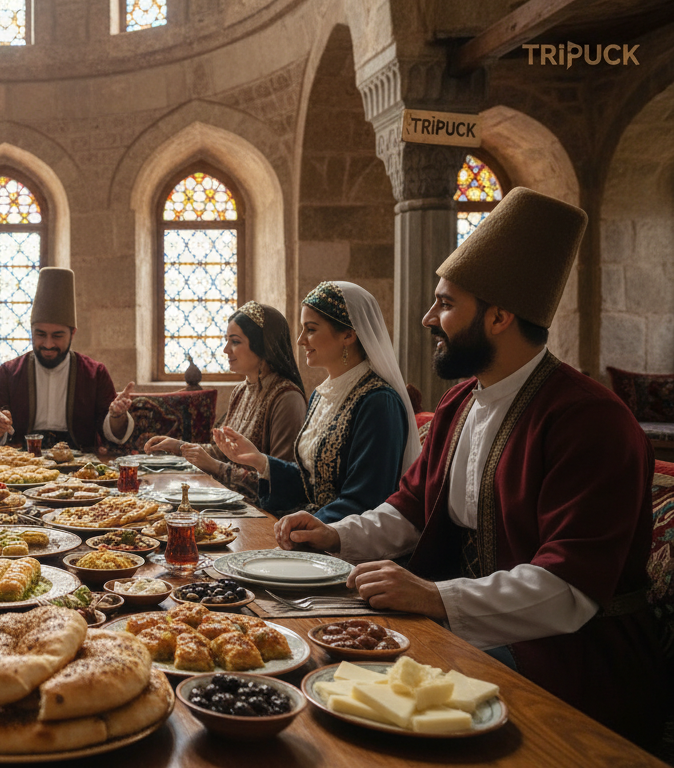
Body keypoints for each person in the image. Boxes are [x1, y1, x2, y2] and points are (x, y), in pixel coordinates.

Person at [273, 187, 662, 746]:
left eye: (446, 304)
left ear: (500, 316)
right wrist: (336, 536)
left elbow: (567, 589)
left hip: (573, 659)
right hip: (464, 626)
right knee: (315, 658)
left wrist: (436, 598)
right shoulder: (460, 402)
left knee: (358, 704)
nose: (428, 318)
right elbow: (409, 509)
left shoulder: (590, 420)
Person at [213, 281, 419, 523]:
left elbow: (367, 498)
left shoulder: (378, 402)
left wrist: (311, 528)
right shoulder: (320, 396)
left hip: (344, 536)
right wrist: (261, 461)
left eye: (310, 329)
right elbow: (311, 483)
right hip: (311, 524)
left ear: (348, 335)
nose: (300, 340)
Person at [144, 301, 307, 502]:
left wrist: (215, 467)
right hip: (233, 502)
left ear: (263, 345)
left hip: (266, 514)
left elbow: (281, 483)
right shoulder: (241, 391)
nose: (225, 349)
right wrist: (179, 446)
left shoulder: (286, 398)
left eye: (235, 342)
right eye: (226, 341)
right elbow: (223, 453)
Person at [0, 267, 136, 452]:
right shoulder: (9, 372)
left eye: (57, 336)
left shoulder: (95, 373)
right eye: (40, 334)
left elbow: (112, 433)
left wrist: (117, 416)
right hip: (22, 461)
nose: (48, 344)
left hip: (80, 462)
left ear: (72, 333)